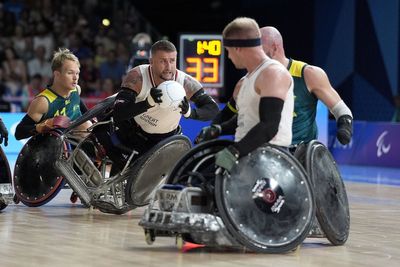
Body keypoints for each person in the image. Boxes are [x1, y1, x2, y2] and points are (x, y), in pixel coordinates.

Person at [196, 26, 353, 149]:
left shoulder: (308, 74)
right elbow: (227, 116)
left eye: (260, 49)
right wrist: (213, 130)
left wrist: (344, 127)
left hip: (301, 152)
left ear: (275, 47)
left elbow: (341, 110)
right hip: (264, 150)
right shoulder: (246, 81)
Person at [93, 39, 219, 171]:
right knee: (102, 132)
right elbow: (119, 113)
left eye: (172, 60)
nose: (169, 67)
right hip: (135, 133)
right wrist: (147, 103)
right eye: (163, 61)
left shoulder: (186, 82)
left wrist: (190, 113)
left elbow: (213, 109)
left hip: (165, 139)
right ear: (151, 61)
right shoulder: (138, 76)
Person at [211, 17, 294, 173]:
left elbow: (269, 126)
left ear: (237, 48)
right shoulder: (247, 79)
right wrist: (219, 130)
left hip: (270, 159)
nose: (228, 56)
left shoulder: (272, 73)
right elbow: (246, 119)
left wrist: (234, 151)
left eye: (228, 51)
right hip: (249, 153)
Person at [15, 48, 91, 140]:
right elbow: (19, 133)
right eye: (70, 73)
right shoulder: (43, 101)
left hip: (73, 143)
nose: (75, 78)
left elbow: (84, 112)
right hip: (51, 147)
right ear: (57, 74)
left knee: (87, 125)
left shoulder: (76, 90)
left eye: (77, 73)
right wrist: (41, 127)